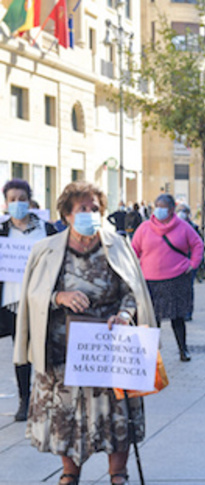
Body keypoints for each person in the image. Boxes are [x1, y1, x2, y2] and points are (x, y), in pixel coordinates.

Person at [13, 181, 156, 485]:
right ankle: (69, 473)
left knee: (115, 413)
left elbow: (133, 292)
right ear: (66, 214)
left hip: (107, 346)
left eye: (94, 208)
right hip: (62, 351)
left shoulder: (118, 245)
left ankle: (118, 474)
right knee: (67, 414)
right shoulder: (46, 249)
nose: (89, 213)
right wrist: (58, 297)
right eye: (82, 209)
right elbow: (32, 294)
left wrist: (124, 314)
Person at [1, 179, 57, 422]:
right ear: (5, 202)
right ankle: (25, 399)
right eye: (12, 199)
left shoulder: (46, 230)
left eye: (21, 199)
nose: (17, 204)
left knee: (42, 349)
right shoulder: (2, 231)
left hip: (41, 300)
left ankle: (46, 398)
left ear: (30, 201)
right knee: (20, 351)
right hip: (11, 302)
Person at [132, 194, 203, 362]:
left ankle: (183, 350)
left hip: (176, 278)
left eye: (162, 206)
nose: (158, 210)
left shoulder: (183, 227)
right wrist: (133, 270)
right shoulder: (144, 228)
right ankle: (150, 354)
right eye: (156, 206)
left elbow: (197, 244)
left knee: (177, 317)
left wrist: (193, 264)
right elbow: (134, 249)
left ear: (172, 209)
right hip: (150, 280)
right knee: (152, 319)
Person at [177, 203, 201, 320]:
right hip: (175, 264)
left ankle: (187, 312)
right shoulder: (172, 228)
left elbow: (199, 245)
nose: (181, 213)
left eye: (183, 211)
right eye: (179, 210)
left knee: (188, 287)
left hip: (189, 263)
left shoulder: (193, 227)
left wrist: (194, 263)